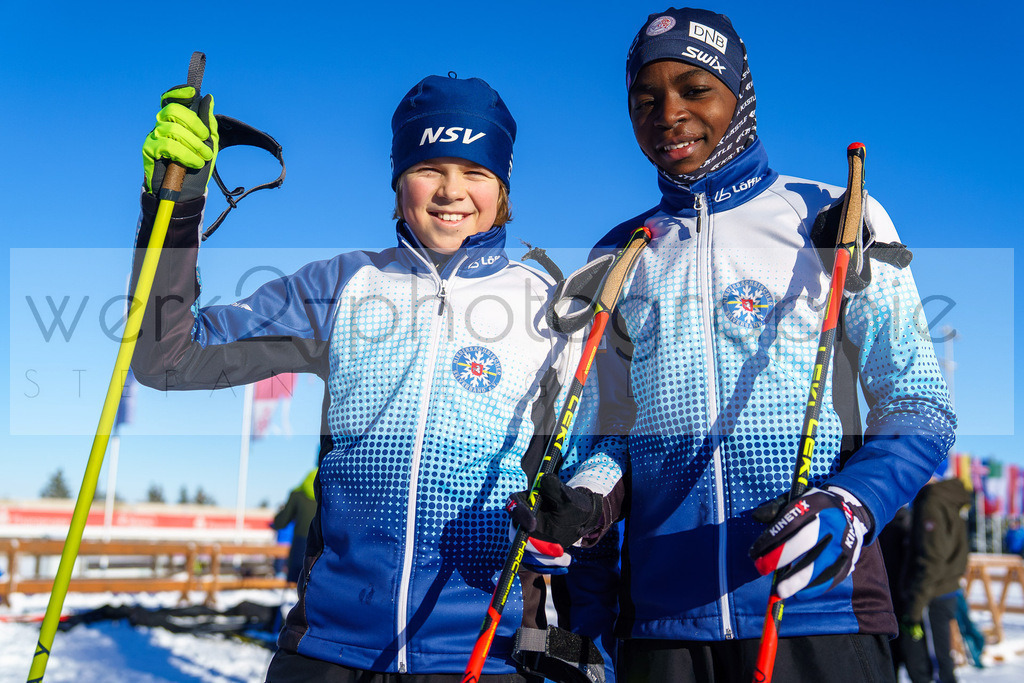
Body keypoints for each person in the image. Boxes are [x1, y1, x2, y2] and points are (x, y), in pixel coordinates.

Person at [129, 73, 611, 682]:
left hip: (483, 654)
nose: (451, 191)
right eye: (429, 166)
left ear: (503, 186)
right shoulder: (342, 286)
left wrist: (584, 508)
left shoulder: (549, 305)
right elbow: (169, 357)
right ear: (397, 177)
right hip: (328, 650)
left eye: (476, 172)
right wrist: (175, 208)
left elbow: (603, 446)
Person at [566, 7, 957, 682]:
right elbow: (613, 435)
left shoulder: (833, 213)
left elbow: (920, 403)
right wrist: (588, 495)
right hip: (664, 625)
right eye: (646, 97)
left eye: (694, 89)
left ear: (739, 96)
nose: (669, 113)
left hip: (816, 609)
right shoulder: (622, 251)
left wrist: (853, 502)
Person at [900, 463, 972, 683]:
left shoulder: (931, 500)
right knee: (943, 660)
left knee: (933, 664)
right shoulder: (949, 497)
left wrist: (915, 606)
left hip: (932, 593)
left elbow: (933, 558)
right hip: (946, 588)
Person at [271, 467, 318, 584]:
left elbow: (280, 522)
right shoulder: (329, 495)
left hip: (300, 545)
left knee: (296, 583)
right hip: (322, 546)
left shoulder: (297, 495)